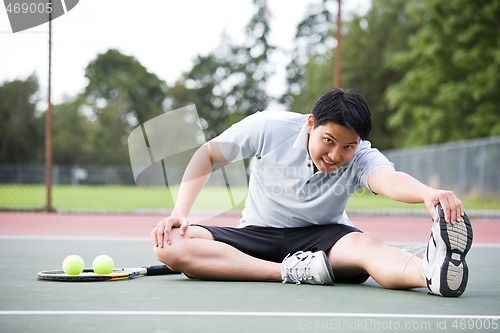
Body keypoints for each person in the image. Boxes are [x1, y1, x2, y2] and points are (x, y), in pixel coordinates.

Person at [151, 88, 473, 297]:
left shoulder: (361, 157)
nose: (336, 155)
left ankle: (430, 273)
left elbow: (388, 179)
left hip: (323, 243)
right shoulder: (268, 127)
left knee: (367, 245)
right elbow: (208, 155)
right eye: (329, 141)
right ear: (310, 124)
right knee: (170, 246)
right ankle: (287, 273)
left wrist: (427, 193)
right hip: (256, 236)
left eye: (348, 146)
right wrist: (179, 214)